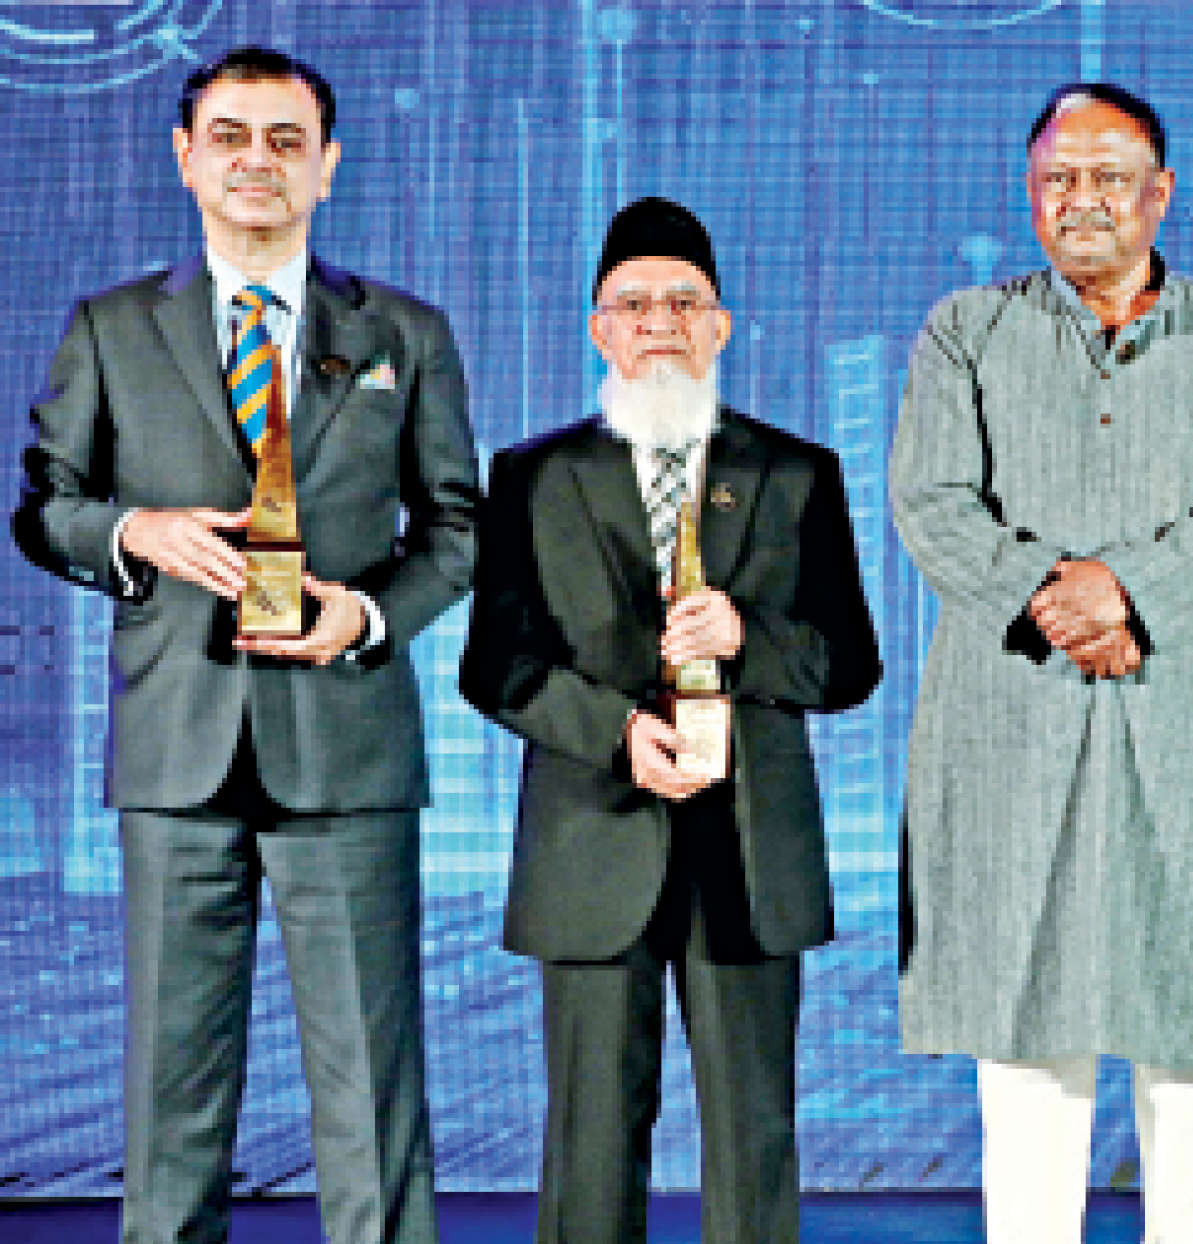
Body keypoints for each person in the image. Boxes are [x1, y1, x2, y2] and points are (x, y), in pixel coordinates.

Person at [11, 46, 478, 1244]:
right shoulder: (111, 328)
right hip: (177, 749)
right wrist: (136, 531)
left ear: (327, 165)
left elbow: (456, 528)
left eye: (284, 140)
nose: (255, 161)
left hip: (347, 748)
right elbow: (45, 505)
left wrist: (366, 615)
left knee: (372, 1092)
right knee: (171, 1090)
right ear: (185, 158)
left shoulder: (403, 332)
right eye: (229, 136)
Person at [887, 83, 1193, 1244]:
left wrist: (1128, 593)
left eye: (1108, 178)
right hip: (1011, 720)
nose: (1081, 200)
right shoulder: (966, 329)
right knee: (1027, 1040)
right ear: (1029, 196)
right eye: (1057, 180)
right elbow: (931, 502)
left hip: (1187, 722)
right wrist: (1060, 601)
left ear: (1158, 194)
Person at [457, 197, 879, 1244]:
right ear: (598, 329)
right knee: (591, 1139)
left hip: (749, 844)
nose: (659, 322)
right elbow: (494, 666)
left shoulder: (795, 473)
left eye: (683, 303)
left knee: (753, 1137)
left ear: (720, 326)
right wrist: (615, 733)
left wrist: (747, 636)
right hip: (592, 833)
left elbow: (850, 663)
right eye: (634, 304)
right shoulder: (532, 476)